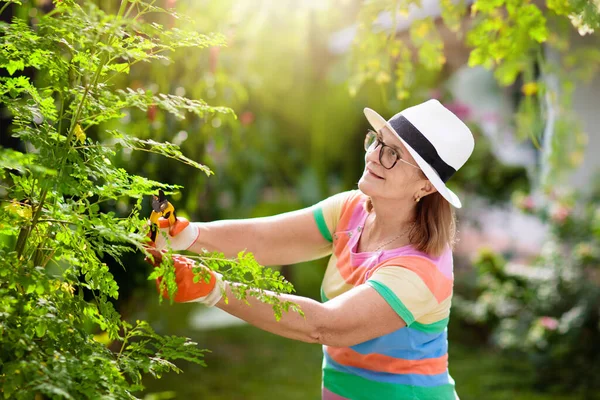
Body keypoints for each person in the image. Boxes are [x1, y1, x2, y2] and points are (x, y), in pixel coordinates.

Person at [145, 99, 475, 400]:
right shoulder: (355, 209)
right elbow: (265, 238)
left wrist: (213, 288)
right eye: (378, 140)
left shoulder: (420, 270)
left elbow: (325, 325)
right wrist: (185, 234)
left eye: (393, 154)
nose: (374, 155)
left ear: (426, 186)